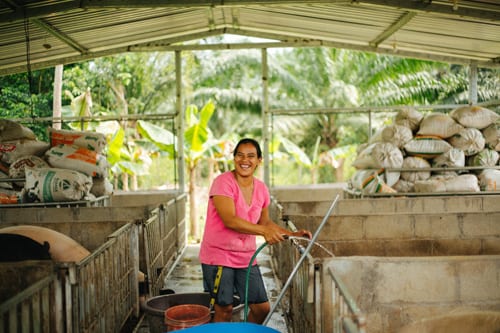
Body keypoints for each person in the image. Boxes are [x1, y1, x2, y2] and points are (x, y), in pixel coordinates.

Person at [199, 137, 312, 324]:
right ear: (234, 158)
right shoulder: (223, 183)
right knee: (224, 309)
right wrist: (263, 232)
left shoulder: (261, 188)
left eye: (251, 156)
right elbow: (230, 220)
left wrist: (291, 234)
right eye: (240, 155)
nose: (245, 160)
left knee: (262, 309)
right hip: (219, 256)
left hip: (246, 257)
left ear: (259, 160)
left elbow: (265, 222)